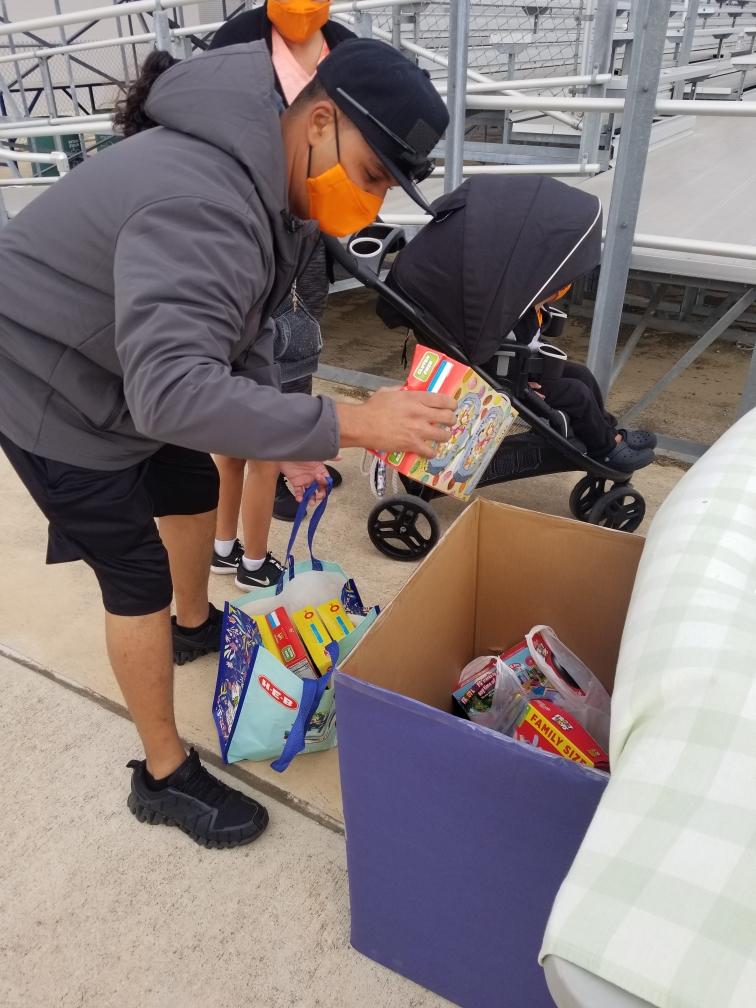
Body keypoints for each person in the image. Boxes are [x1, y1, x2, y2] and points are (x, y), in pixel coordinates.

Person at [0, 38, 453, 848]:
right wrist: (350, 422)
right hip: (42, 379)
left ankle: (192, 623)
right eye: (374, 174)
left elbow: (230, 330)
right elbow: (174, 391)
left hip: (114, 367)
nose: (374, 202)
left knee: (185, 485)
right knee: (132, 571)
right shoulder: (205, 198)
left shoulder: (257, 169)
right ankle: (164, 775)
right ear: (319, 121)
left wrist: (288, 438)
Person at [206, 2, 356, 591]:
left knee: (231, 445)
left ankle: (224, 548)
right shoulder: (248, 49)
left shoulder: (323, 43)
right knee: (267, 436)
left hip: (254, 292)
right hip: (267, 295)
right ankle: (252, 561)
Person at [527, 292, 657, 471]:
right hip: (515, 379)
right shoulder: (508, 314)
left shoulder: (529, 306)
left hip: (526, 365)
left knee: (581, 373)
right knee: (576, 392)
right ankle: (605, 449)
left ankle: (609, 432)